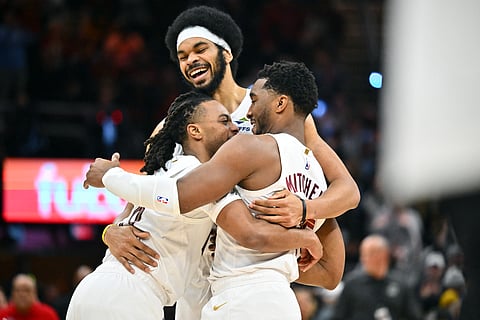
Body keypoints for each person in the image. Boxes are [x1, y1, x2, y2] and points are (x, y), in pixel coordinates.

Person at [102, 5, 359, 275]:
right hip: (192, 270)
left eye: (200, 50)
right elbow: (138, 202)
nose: (190, 60)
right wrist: (112, 231)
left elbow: (347, 192)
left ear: (226, 52)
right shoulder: (170, 127)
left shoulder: (273, 110)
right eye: (182, 56)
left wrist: (306, 209)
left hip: (245, 267)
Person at [84, 60, 349, 319]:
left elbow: (180, 195)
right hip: (281, 299)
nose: (245, 114)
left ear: (280, 103)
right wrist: (292, 249)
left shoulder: (248, 148)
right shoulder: (321, 183)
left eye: (254, 100)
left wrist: (111, 177)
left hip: (238, 299)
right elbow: (331, 272)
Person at [331, 234, 423, 320]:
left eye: (369, 254)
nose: (363, 259)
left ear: (384, 255)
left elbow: (414, 316)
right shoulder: (352, 284)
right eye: (363, 254)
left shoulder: (401, 285)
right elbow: (339, 316)